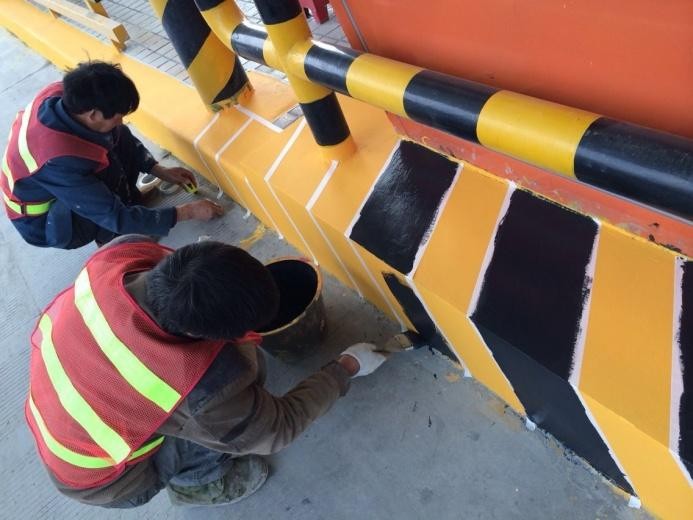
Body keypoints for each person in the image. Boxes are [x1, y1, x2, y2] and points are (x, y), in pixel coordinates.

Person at [25, 235, 389, 508]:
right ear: (196, 333)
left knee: (240, 380)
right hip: (104, 478)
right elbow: (278, 429)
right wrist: (345, 369)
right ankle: (198, 484)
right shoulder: (197, 388)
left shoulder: (123, 253)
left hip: (62, 405)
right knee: (226, 419)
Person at [1, 61, 223, 249]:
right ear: (93, 115)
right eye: (117, 116)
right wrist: (188, 212)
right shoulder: (59, 160)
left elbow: (119, 134)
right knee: (105, 178)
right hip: (46, 222)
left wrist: (158, 170)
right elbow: (112, 215)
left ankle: (132, 204)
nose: (121, 120)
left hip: (58, 187)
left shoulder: (67, 95)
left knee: (115, 135)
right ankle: (117, 240)